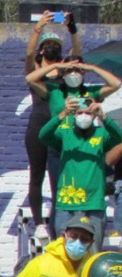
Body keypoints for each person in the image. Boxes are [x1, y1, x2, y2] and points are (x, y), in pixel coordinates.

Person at [38, 88, 122, 247]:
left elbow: (119, 136)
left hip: (94, 204)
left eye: (88, 113)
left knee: (92, 252)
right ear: (74, 115)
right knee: (63, 252)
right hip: (67, 204)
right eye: (80, 113)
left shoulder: (101, 134)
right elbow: (43, 135)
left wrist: (103, 116)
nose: (84, 116)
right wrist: (63, 113)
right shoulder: (65, 134)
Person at [22, 12, 82, 225]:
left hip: (61, 127)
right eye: (48, 45)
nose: (52, 48)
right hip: (39, 126)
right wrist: (38, 29)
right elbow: (29, 55)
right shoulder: (37, 70)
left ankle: (62, 222)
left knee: (60, 177)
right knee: (37, 175)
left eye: (56, 45)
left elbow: (77, 51)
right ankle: (39, 224)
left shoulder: (66, 69)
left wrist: (71, 28)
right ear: (42, 49)